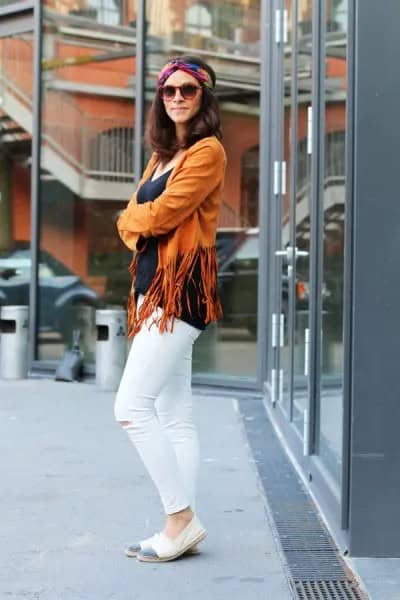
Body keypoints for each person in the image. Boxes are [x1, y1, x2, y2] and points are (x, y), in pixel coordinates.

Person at [114, 55, 227, 563]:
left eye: (188, 89)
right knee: (173, 414)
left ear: (204, 97)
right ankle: (180, 526)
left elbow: (158, 214)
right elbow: (140, 215)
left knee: (131, 408)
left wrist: (132, 219)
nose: (177, 97)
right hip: (149, 288)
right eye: (168, 90)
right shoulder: (162, 154)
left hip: (178, 293)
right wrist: (135, 219)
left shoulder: (207, 152)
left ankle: (179, 517)